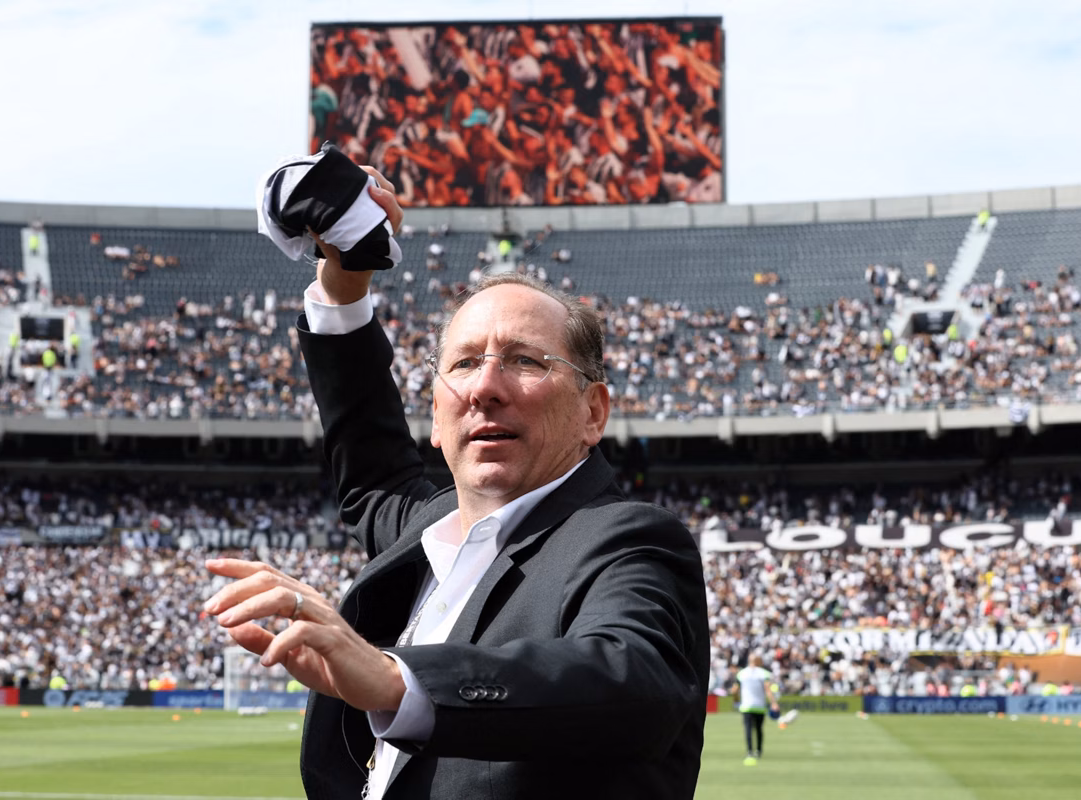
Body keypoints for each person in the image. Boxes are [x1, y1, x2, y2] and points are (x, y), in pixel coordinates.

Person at [205, 167, 709, 799]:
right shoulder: (428, 526)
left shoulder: (628, 543)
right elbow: (372, 465)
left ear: (593, 412)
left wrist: (398, 682)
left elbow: (635, 681)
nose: (485, 387)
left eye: (525, 360)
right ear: (437, 419)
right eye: (464, 363)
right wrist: (343, 283)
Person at [732, 653, 779, 765]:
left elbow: (734, 690)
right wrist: (774, 703)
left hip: (746, 706)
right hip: (759, 706)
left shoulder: (741, 673)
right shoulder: (764, 673)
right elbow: (768, 690)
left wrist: (736, 700)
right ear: (758, 661)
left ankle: (749, 751)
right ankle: (758, 750)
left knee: (748, 729)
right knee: (758, 729)